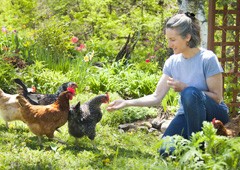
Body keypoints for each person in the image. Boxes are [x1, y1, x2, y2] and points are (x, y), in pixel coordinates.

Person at [107, 12, 230, 156]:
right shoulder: (172, 62)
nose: (169, 44)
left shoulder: (208, 58)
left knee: (189, 93)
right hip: (187, 114)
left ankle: (197, 151)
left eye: (172, 39)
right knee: (165, 151)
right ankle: (190, 147)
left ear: (187, 38)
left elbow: (217, 98)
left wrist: (185, 88)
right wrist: (126, 103)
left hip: (214, 111)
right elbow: (156, 97)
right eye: (168, 39)